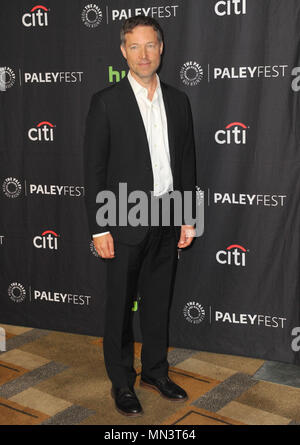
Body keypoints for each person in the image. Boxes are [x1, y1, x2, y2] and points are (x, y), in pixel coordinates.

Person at [84, 15, 197, 417]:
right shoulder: (106, 101)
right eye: (134, 46)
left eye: (150, 45)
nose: (143, 54)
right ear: (123, 51)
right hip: (123, 217)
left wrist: (187, 216)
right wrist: (99, 226)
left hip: (167, 213)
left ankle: (154, 372)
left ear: (161, 48)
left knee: (158, 303)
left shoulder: (179, 100)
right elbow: (94, 170)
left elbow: (186, 162)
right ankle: (121, 381)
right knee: (119, 308)